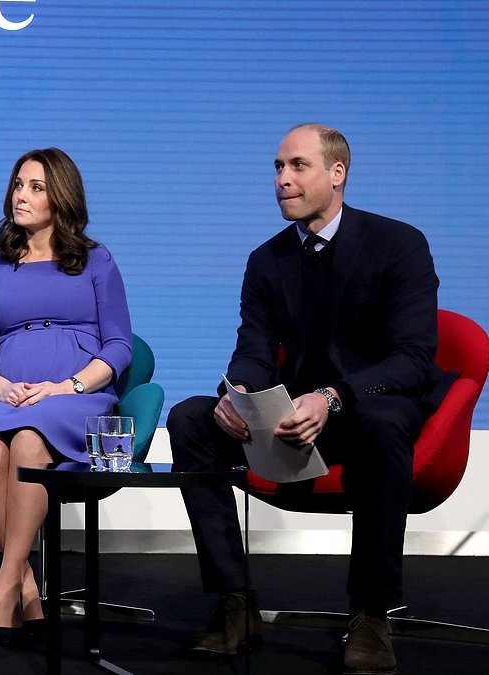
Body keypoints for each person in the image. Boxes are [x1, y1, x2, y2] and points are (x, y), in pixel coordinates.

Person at [168, 123, 456, 674]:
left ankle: (371, 613)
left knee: (384, 423)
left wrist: (334, 396)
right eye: (278, 168)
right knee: (190, 420)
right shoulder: (267, 259)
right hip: (292, 414)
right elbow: (253, 347)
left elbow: (412, 357)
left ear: (337, 174)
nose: (282, 179)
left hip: (370, 402)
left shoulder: (399, 244)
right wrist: (239, 393)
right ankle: (234, 602)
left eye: (297, 166)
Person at [0, 148, 133, 645]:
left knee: (28, 441)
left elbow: (119, 347)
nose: (21, 195)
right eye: (18, 184)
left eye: (36, 187)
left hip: (79, 400)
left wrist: (68, 386)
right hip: (13, 396)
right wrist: (1, 386)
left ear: (61, 197)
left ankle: (6, 583)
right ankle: (26, 584)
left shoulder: (95, 261)